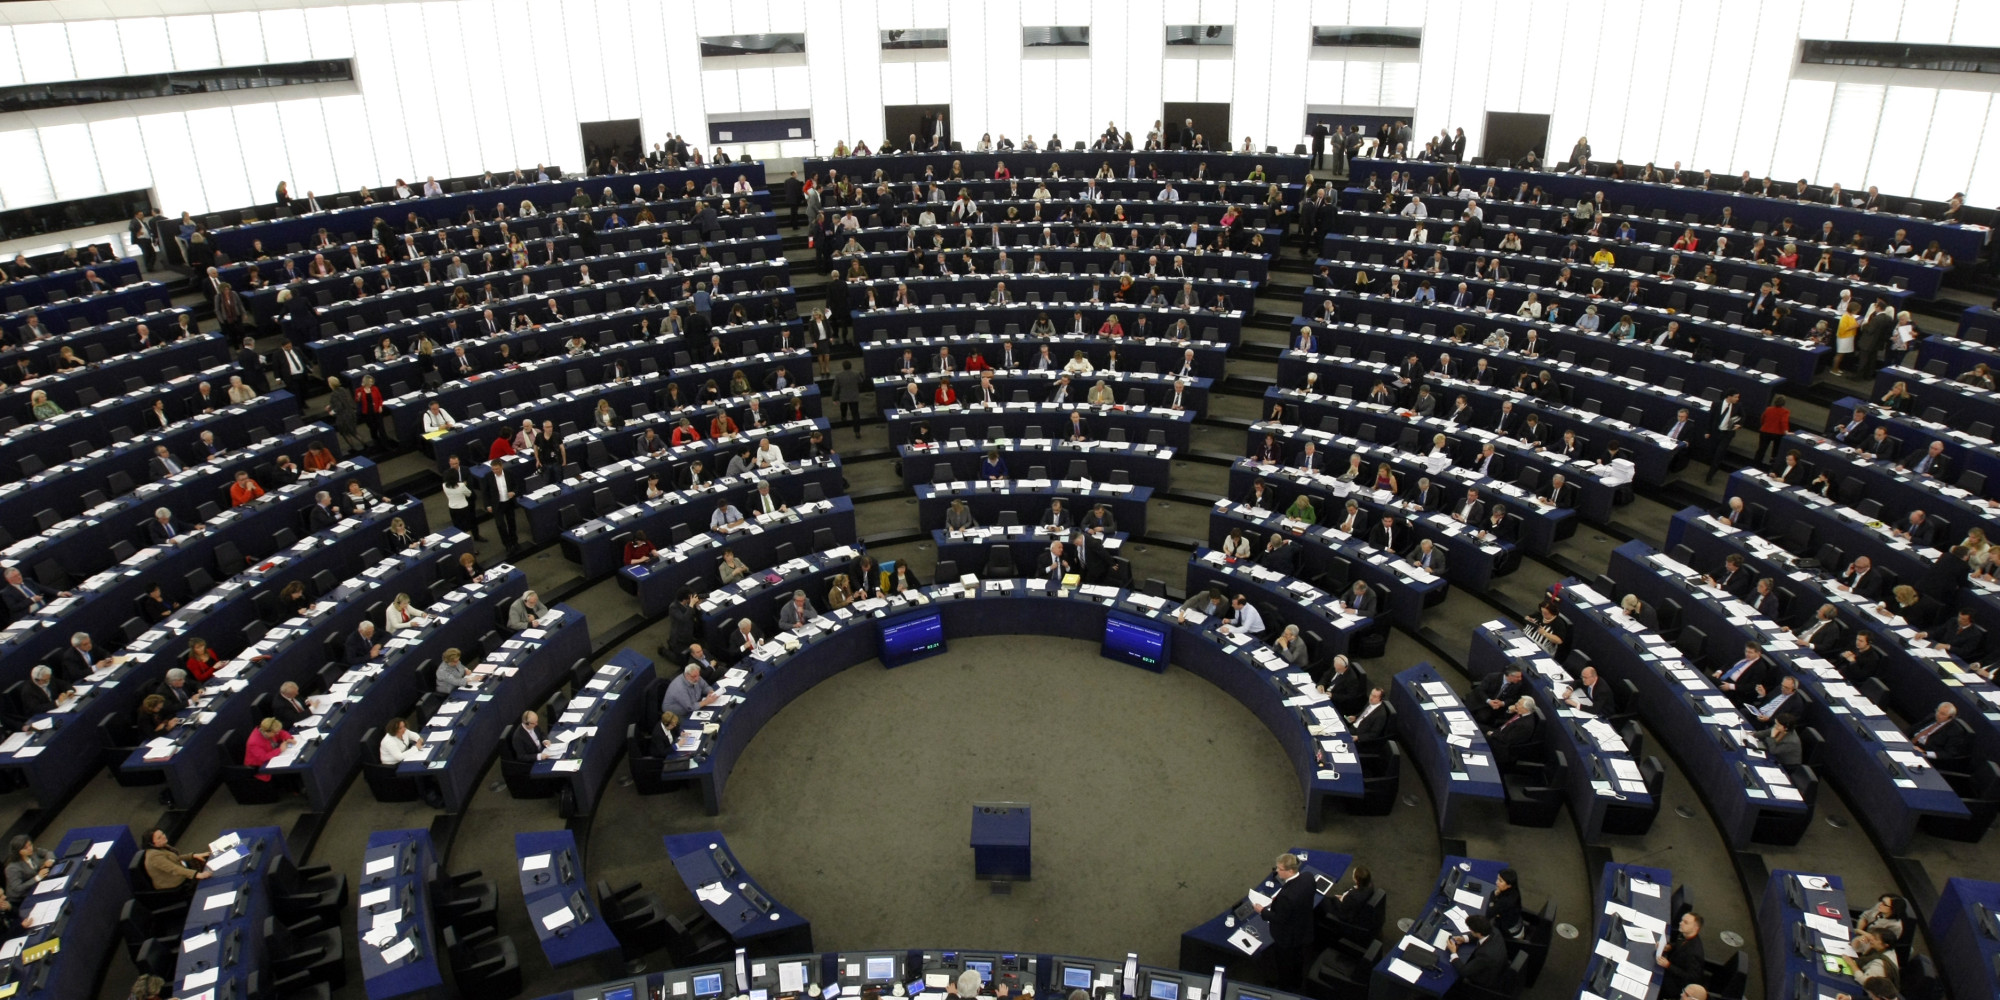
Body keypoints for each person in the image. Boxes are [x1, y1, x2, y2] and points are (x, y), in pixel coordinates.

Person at [1252, 853, 1314, 991]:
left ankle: (1284, 987)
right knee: (1298, 959)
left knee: (1284, 963)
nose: (1276, 871)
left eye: (1280, 869)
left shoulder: (1287, 897)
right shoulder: (1308, 877)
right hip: (1304, 928)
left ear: (1290, 871)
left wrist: (1262, 911)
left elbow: (1279, 918)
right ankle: (1297, 982)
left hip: (1287, 937)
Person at [1448, 914, 1510, 991]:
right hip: (1500, 966)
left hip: (1486, 980)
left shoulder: (1485, 954)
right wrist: (1464, 939)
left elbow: (1464, 971)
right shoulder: (1494, 931)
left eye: (1471, 930)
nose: (1470, 931)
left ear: (1478, 933)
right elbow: (1479, 934)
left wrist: (1453, 952)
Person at [141, 828, 210, 894]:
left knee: (204, 860)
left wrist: (193, 855)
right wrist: (197, 874)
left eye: (163, 834)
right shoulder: (154, 856)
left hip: (180, 868)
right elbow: (174, 869)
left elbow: (175, 858)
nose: (164, 836)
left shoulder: (161, 846)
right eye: (159, 837)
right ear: (151, 843)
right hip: (175, 883)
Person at [1658, 912, 1706, 999]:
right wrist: (1669, 946)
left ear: (1695, 928)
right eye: (1682, 920)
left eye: (1686, 922)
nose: (1681, 923)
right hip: (1671, 968)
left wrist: (1668, 966)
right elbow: (1678, 944)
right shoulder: (1685, 934)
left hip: (1676, 984)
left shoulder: (1695, 953)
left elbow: (1691, 977)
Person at [4, 836, 54, 907]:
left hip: (35, 885)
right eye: (25, 848)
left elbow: (47, 852)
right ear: (19, 851)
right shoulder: (12, 868)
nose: (30, 848)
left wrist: (50, 860)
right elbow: (18, 888)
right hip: (21, 898)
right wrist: (38, 877)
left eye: (30, 845)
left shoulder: (32, 851)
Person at [242, 717, 293, 782]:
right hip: (259, 767)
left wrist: (288, 738)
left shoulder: (270, 731)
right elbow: (264, 757)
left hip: (271, 757)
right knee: (287, 772)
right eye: (275, 733)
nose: (277, 734)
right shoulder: (254, 742)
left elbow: (281, 732)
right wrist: (280, 749)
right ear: (267, 732)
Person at [1489, 868, 1524, 936]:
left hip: (1506, 929)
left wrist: (1493, 897)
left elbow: (1489, 913)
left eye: (1500, 881)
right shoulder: (1514, 891)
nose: (1496, 882)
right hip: (1512, 919)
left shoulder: (1506, 901)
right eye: (1498, 879)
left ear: (1509, 885)